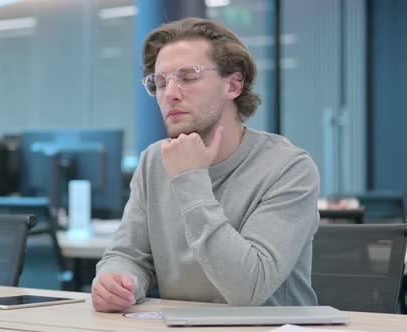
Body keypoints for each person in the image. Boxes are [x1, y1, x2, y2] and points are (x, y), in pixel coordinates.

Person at [91, 17, 320, 312]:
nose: (170, 93)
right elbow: (128, 255)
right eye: (160, 82)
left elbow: (247, 289)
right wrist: (119, 280)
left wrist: (190, 180)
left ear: (233, 85)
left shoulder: (288, 167)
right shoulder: (153, 161)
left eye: (187, 77)